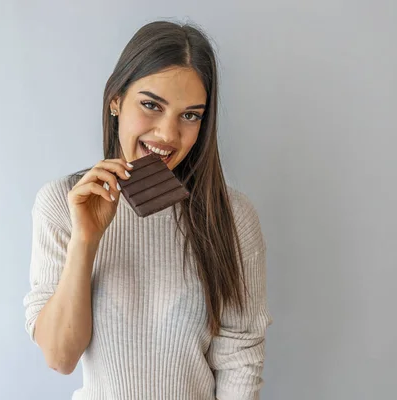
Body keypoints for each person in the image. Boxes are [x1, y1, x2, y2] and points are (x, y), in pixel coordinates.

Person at [23, 20, 272, 400]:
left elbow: (240, 361)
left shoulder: (233, 217)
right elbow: (60, 357)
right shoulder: (62, 202)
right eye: (151, 105)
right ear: (116, 100)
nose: (168, 135)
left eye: (190, 115)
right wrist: (86, 239)